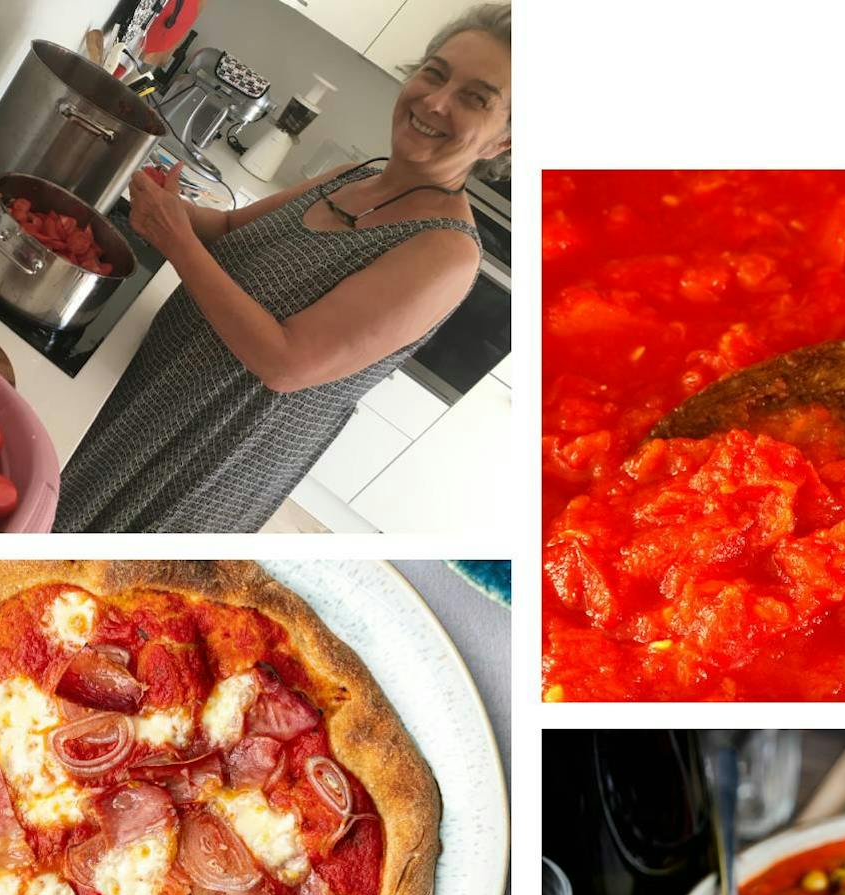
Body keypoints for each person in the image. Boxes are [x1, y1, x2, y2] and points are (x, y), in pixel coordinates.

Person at [54, 4, 511, 532]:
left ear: (503, 141)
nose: (434, 101)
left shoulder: (446, 252)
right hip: (160, 382)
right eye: (435, 72)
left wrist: (175, 239)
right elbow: (230, 231)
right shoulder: (357, 173)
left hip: (207, 449)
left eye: (475, 99)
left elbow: (286, 363)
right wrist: (153, 191)